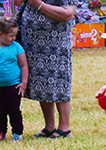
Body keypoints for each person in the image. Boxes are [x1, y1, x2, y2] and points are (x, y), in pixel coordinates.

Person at [16, 0, 76, 138]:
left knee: (59, 81)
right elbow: (18, 3)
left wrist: (39, 5)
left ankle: (64, 129)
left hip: (56, 43)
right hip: (33, 44)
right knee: (41, 82)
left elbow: (68, 14)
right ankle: (49, 127)